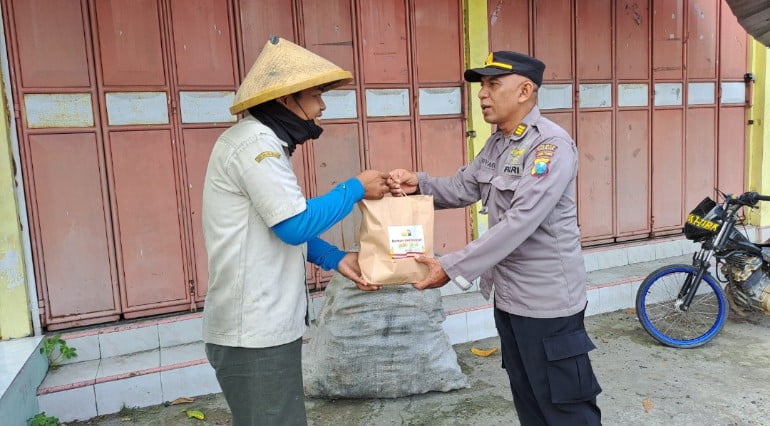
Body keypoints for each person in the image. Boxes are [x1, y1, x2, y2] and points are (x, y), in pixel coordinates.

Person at [388, 51, 602, 425]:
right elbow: (461, 187)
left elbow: (521, 222)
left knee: (564, 406)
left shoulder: (549, 147)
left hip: (547, 302)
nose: (482, 95)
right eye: (481, 86)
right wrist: (417, 184)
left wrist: (451, 267)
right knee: (529, 397)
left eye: (492, 85)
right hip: (510, 297)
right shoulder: (500, 143)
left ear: (524, 91)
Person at [201, 36, 388, 426]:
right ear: (287, 100)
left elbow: (277, 226)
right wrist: (355, 188)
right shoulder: (257, 147)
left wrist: (335, 258)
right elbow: (294, 223)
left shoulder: (266, 143)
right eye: (317, 94)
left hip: (263, 328)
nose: (322, 105)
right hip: (253, 333)